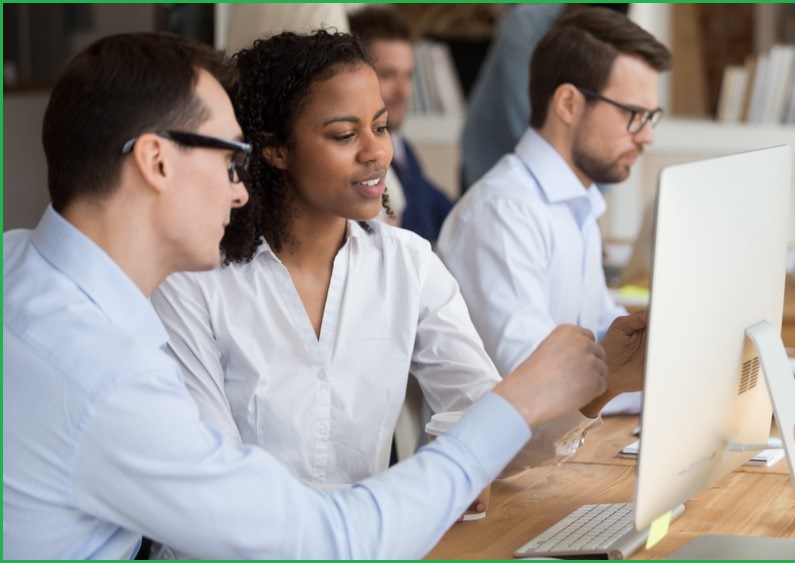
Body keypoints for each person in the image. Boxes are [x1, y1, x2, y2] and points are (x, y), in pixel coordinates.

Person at [2, 31, 610, 560]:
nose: (239, 191)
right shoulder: (110, 375)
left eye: (380, 127)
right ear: (157, 163)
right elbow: (314, 541)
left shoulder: (19, 269)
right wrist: (513, 401)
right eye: (229, 157)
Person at [148, 29, 646, 528]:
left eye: (381, 127)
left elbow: (490, 434)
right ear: (275, 149)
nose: (376, 153)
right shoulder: (193, 282)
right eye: (344, 135)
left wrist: (601, 388)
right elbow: (222, 493)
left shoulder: (407, 264)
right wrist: (431, 486)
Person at [437, 9, 671, 403]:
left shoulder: (576, 207)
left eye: (651, 117)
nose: (646, 136)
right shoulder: (502, 214)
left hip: (555, 454)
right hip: (510, 463)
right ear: (568, 103)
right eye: (634, 115)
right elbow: (540, 387)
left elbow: (606, 343)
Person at [458, 4, 630, 192]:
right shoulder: (524, 25)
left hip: (566, 175)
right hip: (491, 164)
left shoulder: (613, 43)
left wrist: (599, 177)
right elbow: (533, 121)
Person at [348, 5, 454, 245]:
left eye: (408, 75)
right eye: (388, 75)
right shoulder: (359, 162)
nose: (404, 90)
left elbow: (449, 211)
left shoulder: (404, 149)